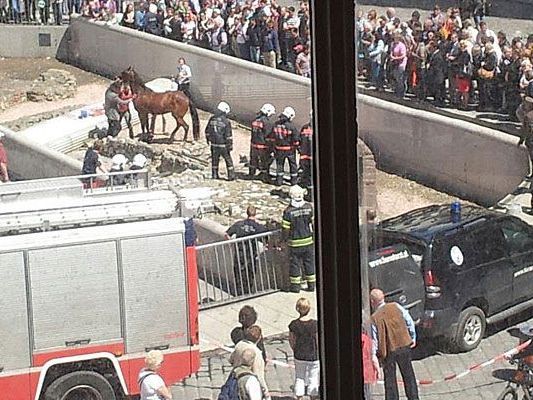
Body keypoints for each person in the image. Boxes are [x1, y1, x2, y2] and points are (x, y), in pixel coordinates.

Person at [370, 288, 419, 400]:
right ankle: (414, 397)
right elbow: (409, 321)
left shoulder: (374, 318)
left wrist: (373, 356)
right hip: (403, 345)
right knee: (409, 375)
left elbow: (374, 340)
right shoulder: (396, 306)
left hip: (389, 350)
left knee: (390, 380)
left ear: (373, 302)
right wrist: (412, 337)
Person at [225, 205, 267, 295]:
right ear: (255, 214)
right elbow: (266, 239)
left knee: (238, 273)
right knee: (250, 274)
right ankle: (248, 291)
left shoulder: (239, 224)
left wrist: (231, 243)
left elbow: (227, 234)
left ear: (246, 213)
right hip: (251, 254)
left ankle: (239, 292)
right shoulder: (258, 227)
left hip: (239, 253)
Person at [282, 185, 315, 293]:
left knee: (295, 266)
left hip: (295, 244)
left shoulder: (288, 212)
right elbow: (313, 224)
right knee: (309, 264)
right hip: (308, 241)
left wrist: (284, 241)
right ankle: (311, 286)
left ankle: (295, 288)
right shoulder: (309, 207)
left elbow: (285, 229)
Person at [288, 297, 319, 400]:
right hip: (313, 354)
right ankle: (313, 396)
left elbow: (291, 340)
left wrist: (294, 349)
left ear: (297, 309)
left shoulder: (294, 325)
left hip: (299, 354)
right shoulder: (315, 324)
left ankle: (299, 396)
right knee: (313, 377)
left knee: (299, 376)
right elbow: (318, 339)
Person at [230, 325, 269, 398]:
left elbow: (231, 360)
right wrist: (266, 392)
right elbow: (259, 375)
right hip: (249, 379)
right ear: (259, 338)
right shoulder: (257, 353)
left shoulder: (239, 344)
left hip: (236, 376)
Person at [205, 101, 235, 181]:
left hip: (214, 144)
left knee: (215, 160)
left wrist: (208, 139)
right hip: (223, 145)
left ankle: (214, 174)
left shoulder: (212, 119)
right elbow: (228, 136)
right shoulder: (226, 121)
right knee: (228, 160)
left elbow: (207, 131)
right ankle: (231, 176)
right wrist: (230, 145)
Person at [272, 106, 299, 186]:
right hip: (290, 150)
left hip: (278, 149)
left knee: (279, 165)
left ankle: (279, 181)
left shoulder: (276, 124)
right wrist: (297, 148)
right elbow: (296, 140)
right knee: (293, 165)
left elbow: (273, 137)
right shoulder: (292, 126)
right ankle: (294, 182)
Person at [250, 103, 276, 182]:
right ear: (268, 112)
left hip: (254, 145)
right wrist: (272, 148)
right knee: (265, 162)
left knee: (253, 160)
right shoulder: (267, 122)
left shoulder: (255, 120)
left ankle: (251, 174)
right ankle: (265, 177)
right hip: (263, 146)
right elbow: (269, 136)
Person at [298, 111, 313, 199]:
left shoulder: (304, 128)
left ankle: (309, 192)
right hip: (313, 158)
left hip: (304, 157)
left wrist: (300, 151)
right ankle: (311, 195)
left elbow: (299, 141)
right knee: (311, 176)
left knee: (307, 175)